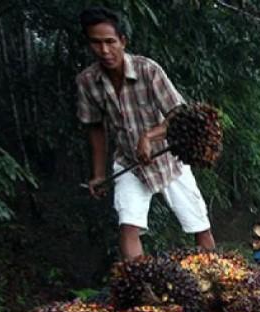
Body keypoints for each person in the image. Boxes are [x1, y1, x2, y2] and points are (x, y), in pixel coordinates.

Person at [75, 6, 215, 261]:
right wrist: (97, 174)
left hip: (169, 160)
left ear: (123, 41)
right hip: (129, 162)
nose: (104, 51)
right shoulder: (87, 81)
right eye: (97, 43)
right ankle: (141, 289)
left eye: (110, 42)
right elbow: (95, 128)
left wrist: (149, 137)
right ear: (89, 45)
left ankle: (216, 283)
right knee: (128, 226)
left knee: (198, 224)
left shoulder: (147, 70)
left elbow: (178, 114)